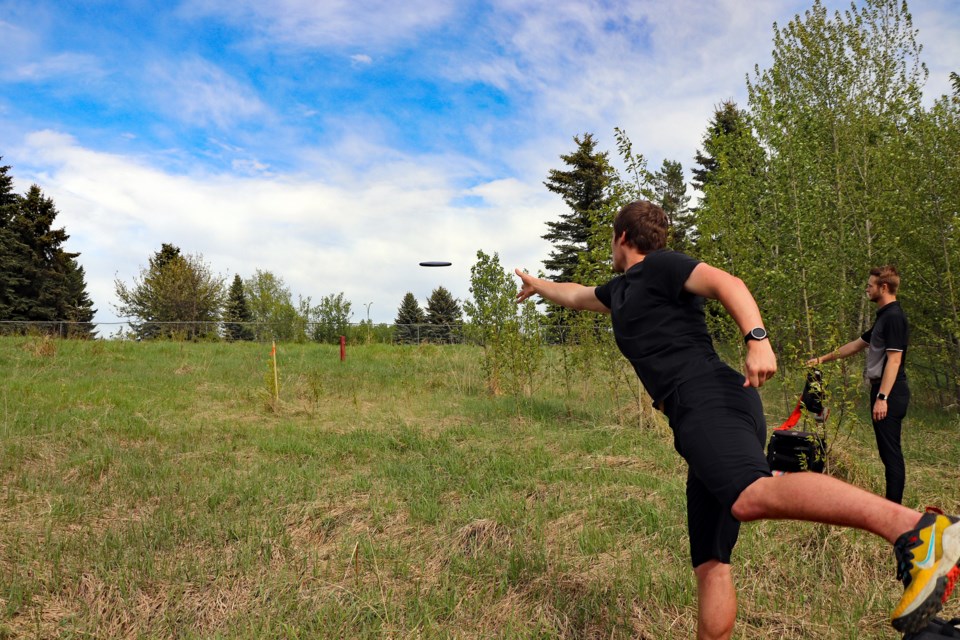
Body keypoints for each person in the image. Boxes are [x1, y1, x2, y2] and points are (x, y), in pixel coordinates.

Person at [514, 201, 958, 639]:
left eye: (613, 240)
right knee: (710, 562)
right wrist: (539, 284)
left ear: (622, 237)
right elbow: (574, 293)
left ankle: (916, 530)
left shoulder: (662, 266)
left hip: (709, 396)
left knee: (750, 495)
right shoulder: (622, 289)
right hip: (694, 413)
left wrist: (757, 338)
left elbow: (728, 282)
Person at [807, 266, 910, 504]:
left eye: (870, 285)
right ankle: (891, 507)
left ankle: (893, 511)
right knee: (888, 452)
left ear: (883, 287)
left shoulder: (894, 317)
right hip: (883, 391)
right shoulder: (884, 316)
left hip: (890, 393)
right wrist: (823, 358)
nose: (867, 288)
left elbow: (895, 360)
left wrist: (882, 397)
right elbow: (856, 344)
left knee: (891, 453)